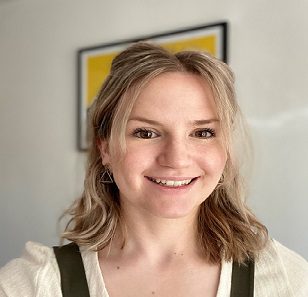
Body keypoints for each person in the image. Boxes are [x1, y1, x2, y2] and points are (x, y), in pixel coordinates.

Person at [0, 42, 307, 297]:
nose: (176, 159)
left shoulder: (282, 278)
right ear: (105, 147)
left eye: (202, 133)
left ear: (224, 149)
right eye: (146, 133)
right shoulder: (35, 283)